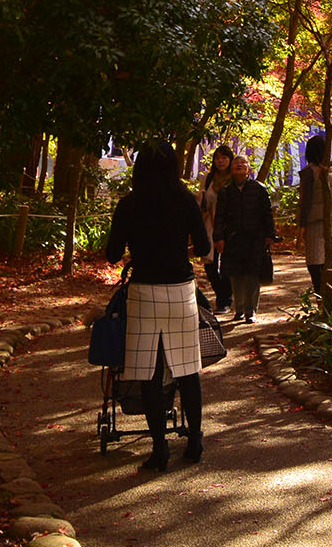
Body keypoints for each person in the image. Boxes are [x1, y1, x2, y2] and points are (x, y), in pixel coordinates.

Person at [104, 140, 211, 471]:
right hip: (181, 291)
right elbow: (203, 247)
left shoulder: (129, 204)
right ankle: (194, 440)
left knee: (148, 372)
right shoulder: (185, 200)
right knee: (188, 369)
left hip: (145, 292)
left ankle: (159, 449)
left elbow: (111, 253)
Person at [213, 154, 277, 323]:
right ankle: (239, 308)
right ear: (231, 169)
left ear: (249, 169)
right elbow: (219, 217)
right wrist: (218, 238)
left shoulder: (259, 189)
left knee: (252, 274)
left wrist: (270, 235)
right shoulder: (226, 191)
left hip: (255, 239)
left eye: (243, 163)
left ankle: (251, 310)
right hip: (233, 239)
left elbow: (267, 214)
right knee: (236, 275)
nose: (239, 165)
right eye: (236, 163)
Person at [298, 133, 332, 294]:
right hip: (330, 220)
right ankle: (326, 296)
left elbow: (306, 200)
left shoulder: (310, 172)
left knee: (314, 262)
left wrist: (301, 226)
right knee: (325, 260)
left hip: (314, 221)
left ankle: (321, 296)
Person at [198, 144, 235, 314]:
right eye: (218, 158)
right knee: (210, 264)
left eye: (224, 158)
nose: (220, 161)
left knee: (227, 263)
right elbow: (201, 199)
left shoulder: (235, 177)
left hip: (229, 226)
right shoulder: (208, 177)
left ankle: (225, 300)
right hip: (210, 224)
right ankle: (222, 294)